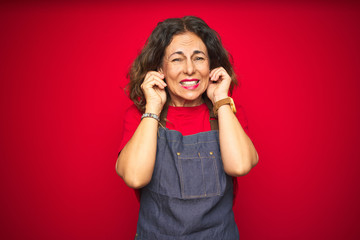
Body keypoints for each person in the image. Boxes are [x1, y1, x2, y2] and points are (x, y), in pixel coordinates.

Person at [115, 16, 258, 239]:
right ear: (159, 69)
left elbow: (239, 166)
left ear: (211, 65)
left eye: (199, 58)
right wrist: (152, 106)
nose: (190, 69)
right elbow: (134, 177)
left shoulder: (228, 112)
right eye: (177, 60)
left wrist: (221, 99)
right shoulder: (139, 117)